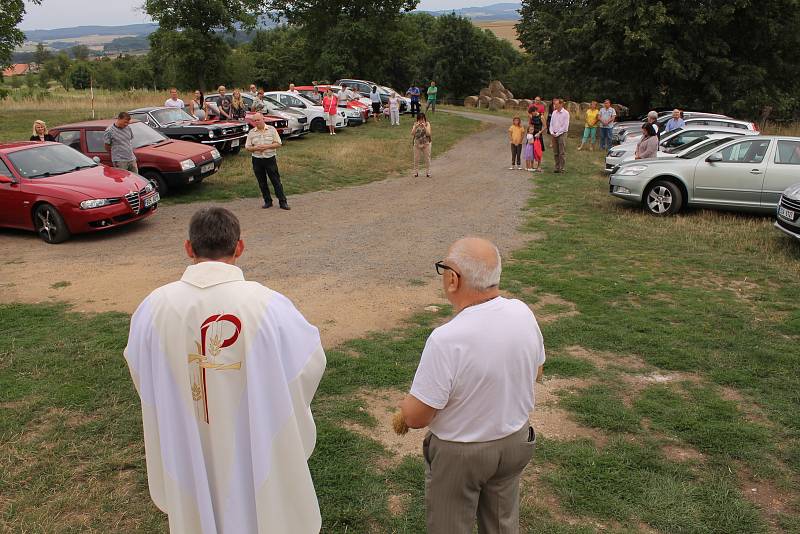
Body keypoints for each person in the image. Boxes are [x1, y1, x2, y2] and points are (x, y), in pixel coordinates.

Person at [124, 206, 326, 534]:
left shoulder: (153, 308)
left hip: (187, 439)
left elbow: (140, 370)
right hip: (253, 438)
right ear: (239, 247)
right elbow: (309, 364)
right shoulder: (269, 305)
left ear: (189, 248)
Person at [399, 237, 545, 534]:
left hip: (462, 454)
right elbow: (537, 371)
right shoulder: (522, 312)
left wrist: (403, 407)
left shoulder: (446, 338)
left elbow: (416, 417)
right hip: (515, 441)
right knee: (502, 524)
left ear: (453, 279)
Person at [245, 113, 289, 210]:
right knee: (262, 182)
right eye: (255, 120)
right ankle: (268, 201)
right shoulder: (252, 132)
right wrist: (255, 148)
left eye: (258, 120)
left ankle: (283, 201)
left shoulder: (272, 130)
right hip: (257, 159)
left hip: (270, 159)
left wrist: (266, 147)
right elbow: (247, 147)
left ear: (263, 119)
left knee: (276, 181)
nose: (257, 122)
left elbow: (278, 143)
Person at [548, 98, 570, 173]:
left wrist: (557, 133)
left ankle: (562, 167)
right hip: (554, 133)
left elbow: (565, 126)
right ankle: (557, 167)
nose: (555, 106)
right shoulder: (554, 112)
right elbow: (551, 123)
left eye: (556, 104)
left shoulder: (566, 113)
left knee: (562, 151)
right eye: (554, 104)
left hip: (562, 134)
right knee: (555, 152)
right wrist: (551, 132)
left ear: (561, 104)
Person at [411, 113, 432, 178]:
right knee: (416, 158)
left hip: (426, 144)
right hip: (417, 144)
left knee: (427, 158)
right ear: (417, 120)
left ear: (424, 119)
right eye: (419, 119)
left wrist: (424, 127)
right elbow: (412, 133)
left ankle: (428, 172)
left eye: (422, 119)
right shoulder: (415, 124)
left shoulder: (427, 124)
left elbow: (428, 133)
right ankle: (416, 172)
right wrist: (416, 127)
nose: (421, 121)